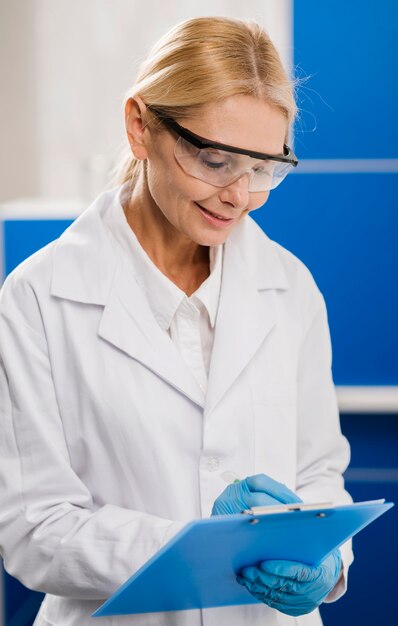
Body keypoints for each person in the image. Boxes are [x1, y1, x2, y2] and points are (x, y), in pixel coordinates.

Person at [0, 15, 353, 626]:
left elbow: (319, 473)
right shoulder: (38, 297)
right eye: (215, 160)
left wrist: (328, 561)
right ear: (140, 127)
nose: (238, 195)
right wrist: (200, 543)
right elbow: (34, 529)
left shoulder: (290, 288)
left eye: (264, 168)